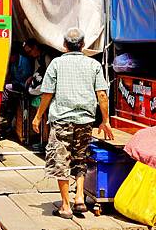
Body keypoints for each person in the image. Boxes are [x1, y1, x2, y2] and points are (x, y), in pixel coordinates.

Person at [32, 28, 114, 219]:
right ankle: (79, 198)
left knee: (61, 161)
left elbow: (47, 94)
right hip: (85, 121)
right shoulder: (93, 65)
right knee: (80, 158)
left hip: (62, 121)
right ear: (83, 45)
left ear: (65, 45)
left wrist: (38, 117)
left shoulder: (56, 64)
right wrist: (105, 121)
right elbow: (102, 95)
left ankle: (66, 206)